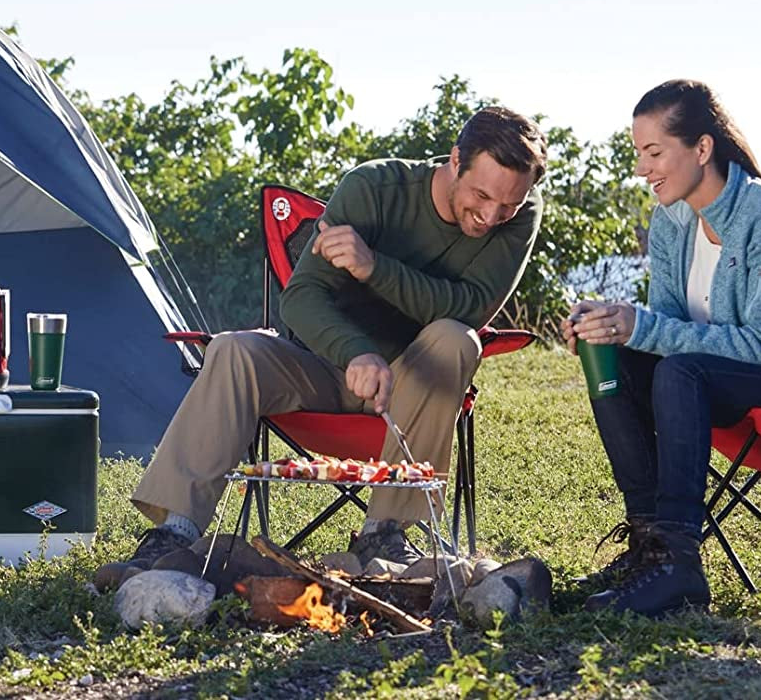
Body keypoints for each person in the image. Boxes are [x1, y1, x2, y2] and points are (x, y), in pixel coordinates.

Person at [126, 107, 547, 569]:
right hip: (324, 369)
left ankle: (384, 533)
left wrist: (373, 268)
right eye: (481, 195)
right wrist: (357, 353)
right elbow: (302, 297)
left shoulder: (521, 214)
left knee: (456, 338)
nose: (491, 215)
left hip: (418, 387)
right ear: (453, 161)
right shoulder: (374, 188)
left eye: (507, 204)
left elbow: (470, 308)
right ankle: (175, 532)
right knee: (233, 349)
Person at [563, 79, 761, 617]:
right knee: (613, 357)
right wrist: (607, 329)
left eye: (654, 152)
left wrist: (640, 327)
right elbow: (664, 325)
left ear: (702, 148)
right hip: (738, 378)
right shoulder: (669, 219)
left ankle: (678, 567)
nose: (642, 169)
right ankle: (649, 543)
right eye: (638, 154)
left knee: (681, 373)